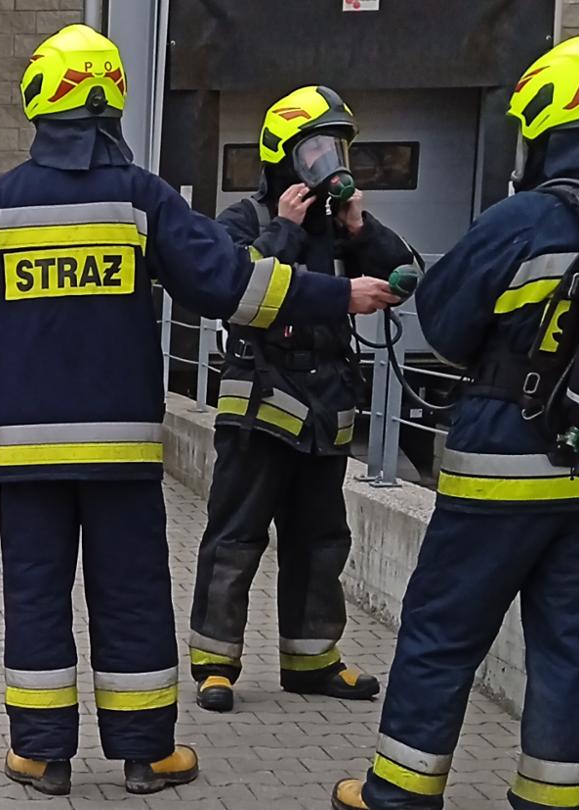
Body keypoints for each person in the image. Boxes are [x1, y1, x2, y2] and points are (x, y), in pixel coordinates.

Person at [0, 23, 399, 798]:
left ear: (38, 101)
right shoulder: (141, 197)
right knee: (133, 595)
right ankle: (147, 753)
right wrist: (337, 292)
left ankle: (41, 756)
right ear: (112, 99)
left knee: (37, 596)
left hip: (29, 457)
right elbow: (231, 284)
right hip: (120, 455)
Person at [330, 34, 579, 810]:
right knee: (573, 649)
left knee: (443, 633)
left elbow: (440, 320)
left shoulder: (525, 219)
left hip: (506, 463)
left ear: (547, 122)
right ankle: (550, 800)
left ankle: (400, 793)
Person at [189, 86, 419, 713]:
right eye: (315, 148)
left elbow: (403, 276)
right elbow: (237, 287)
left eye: (336, 146)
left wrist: (358, 227)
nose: (328, 160)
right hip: (260, 406)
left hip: (324, 408)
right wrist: (287, 229)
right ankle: (215, 663)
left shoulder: (337, 231)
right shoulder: (247, 221)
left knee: (321, 540)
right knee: (236, 536)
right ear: (283, 156)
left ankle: (312, 660)